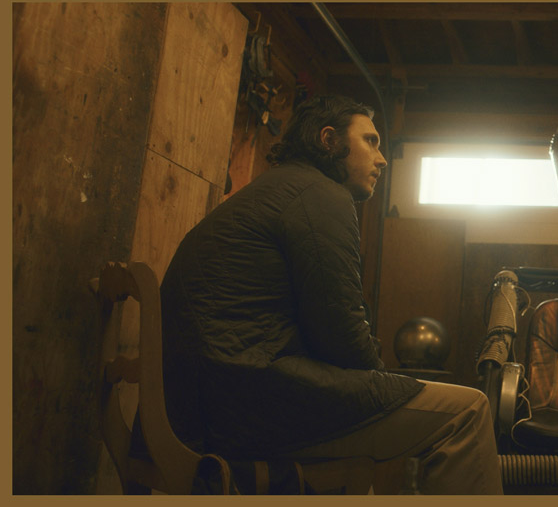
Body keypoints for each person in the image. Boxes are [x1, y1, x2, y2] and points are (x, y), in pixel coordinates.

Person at [160, 94, 503, 494]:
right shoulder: (320, 195)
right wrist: (383, 383)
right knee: (469, 410)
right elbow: (339, 330)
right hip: (250, 402)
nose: (383, 159)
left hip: (208, 400)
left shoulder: (276, 188)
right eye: (371, 142)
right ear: (328, 140)